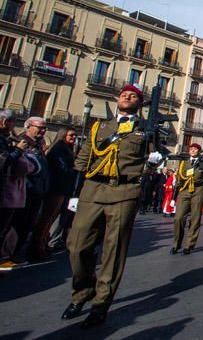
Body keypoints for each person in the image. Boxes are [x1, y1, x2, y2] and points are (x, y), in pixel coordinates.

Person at [62, 84, 162, 328]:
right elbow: (83, 160)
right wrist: (74, 193)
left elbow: (154, 160)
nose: (127, 97)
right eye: (124, 94)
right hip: (92, 189)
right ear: (118, 100)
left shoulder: (146, 131)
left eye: (134, 96)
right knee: (77, 245)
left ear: (140, 103)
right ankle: (83, 290)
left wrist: (152, 165)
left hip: (124, 191)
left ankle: (101, 302)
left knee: (114, 250)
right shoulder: (100, 127)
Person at [28, 127, 77, 262]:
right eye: (71, 135)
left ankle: (42, 244)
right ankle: (37, 246)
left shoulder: (66, 148)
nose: (73, 138)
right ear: (63, 136)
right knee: (47, 218)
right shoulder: (59, 148)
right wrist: (74, 167)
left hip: (62, 188)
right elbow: (62, 168)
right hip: (56, 188)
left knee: (50, 219)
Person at [11, 116, 48, 263]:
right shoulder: (22, 142)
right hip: (23, 191)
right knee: (17, 224)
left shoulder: (39, 144)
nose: (43, 131)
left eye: (44, 128)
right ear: (29, 127)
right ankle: (9, 255)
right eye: (40, 128)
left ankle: (15, 254)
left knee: (27, 225)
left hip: (36, 191)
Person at [170, 143, 203, 255]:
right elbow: (179, 180)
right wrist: (173, 197)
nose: (193, 150)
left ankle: (189, 245)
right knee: (178, 218)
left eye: (195, 148)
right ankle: (176, 244)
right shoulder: (183, 163)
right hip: (184, 191)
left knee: (195, 219)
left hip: (198, 190)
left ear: (199, 151)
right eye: (191, 148)